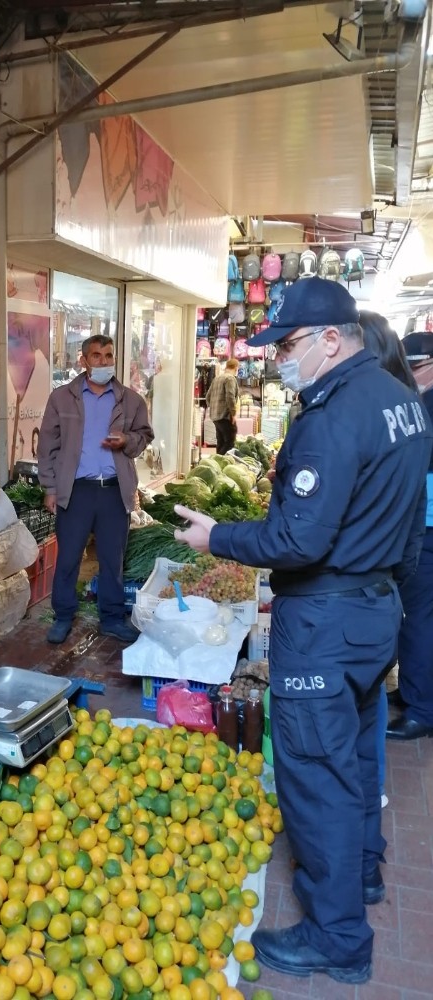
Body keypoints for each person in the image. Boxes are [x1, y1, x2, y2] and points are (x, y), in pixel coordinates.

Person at [174, 278, 431, 985]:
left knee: (313, 775)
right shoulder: (404, 404)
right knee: (350, 757)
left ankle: (338, 938)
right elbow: (409, 528)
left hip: (323, 619)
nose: (278, 359)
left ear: (330, 339)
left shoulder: (332, 417)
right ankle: (362, 875)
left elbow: (298, 538)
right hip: (375, 610)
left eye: (286, 345)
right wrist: (379, 594)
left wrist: (216, 535)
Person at [37, 335, 153, 645]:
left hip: (115, 491)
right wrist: (50, 487)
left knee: (112, 559)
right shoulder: (61, 398)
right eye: (97, 355)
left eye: (108, 355)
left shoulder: (131, 400)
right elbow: (47, 445)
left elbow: (144, 437)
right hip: (76, 491)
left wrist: (127, 441)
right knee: (69, 557)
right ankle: (63, 616)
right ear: (84, 360)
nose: (103, 361)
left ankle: (112, 619)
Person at [357, 310, 419, 795]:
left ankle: (359, 798)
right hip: (387, 578)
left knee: (352, 703)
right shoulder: (412, 408)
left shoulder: (363, 412)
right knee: (370, 693)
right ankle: (370, 788)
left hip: (358, 586)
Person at [386, 330, 433, 740]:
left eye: (418, 367)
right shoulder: (417, 402)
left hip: (428, 527)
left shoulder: (425, 406)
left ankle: (423, 710)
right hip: (422, 522)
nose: (411, 374)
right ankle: (414, 691)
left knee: (419, 616)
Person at [205, 356, 239, 454]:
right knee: (229, 442)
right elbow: (230, 396)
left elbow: (208, 397)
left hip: (215, 417)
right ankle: (221, 461)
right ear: (236, 368)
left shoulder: (217, 378)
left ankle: (217, 464)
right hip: (225, 416)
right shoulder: (230, 379)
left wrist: (213, 408)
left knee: (220, 442)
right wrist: (233, 414)